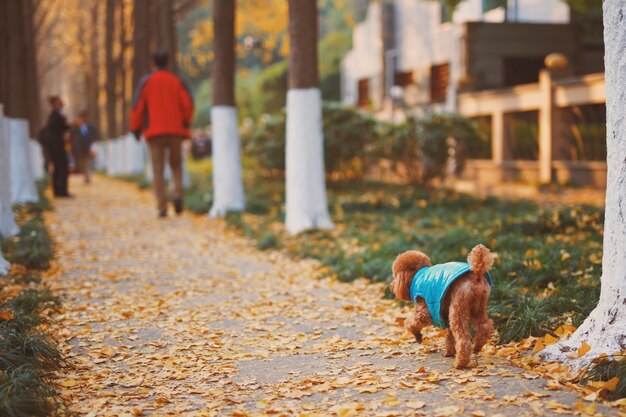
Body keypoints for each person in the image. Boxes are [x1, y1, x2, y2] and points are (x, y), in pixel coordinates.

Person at [131, 50, 194, 218]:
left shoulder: (147, 82)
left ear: (153, 63)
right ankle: (178, 195)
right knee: (176, 166)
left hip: (155, 132)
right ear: (168, 63)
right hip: (175, 131)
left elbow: (138, 107)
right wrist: (185, 123)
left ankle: (162, 206)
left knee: (157, 170)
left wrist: (136, 129)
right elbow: (187, 104)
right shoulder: (177, 82)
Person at [44, 96, 71, 197]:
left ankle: (60, 191)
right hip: (56, 147)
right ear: (55, 103)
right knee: (61, 167)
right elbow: (57, 129)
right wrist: (70, 125)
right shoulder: (55, 115)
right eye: (60, 102)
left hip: (58, 146)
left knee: (60, 168)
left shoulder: (57, 115)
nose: (62, 103)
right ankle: (60, 191)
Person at [69, 110, 100, 184]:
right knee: (83, 162)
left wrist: (93, 146)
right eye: (82, 117)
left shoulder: (90, 127)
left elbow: (95, 136)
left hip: (88, 147)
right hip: (79, 148)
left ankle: (87, 176)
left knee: (88, 162)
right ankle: (85, 174)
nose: (84, 118)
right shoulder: (76, 128)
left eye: (85, 117)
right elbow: (71, 137)